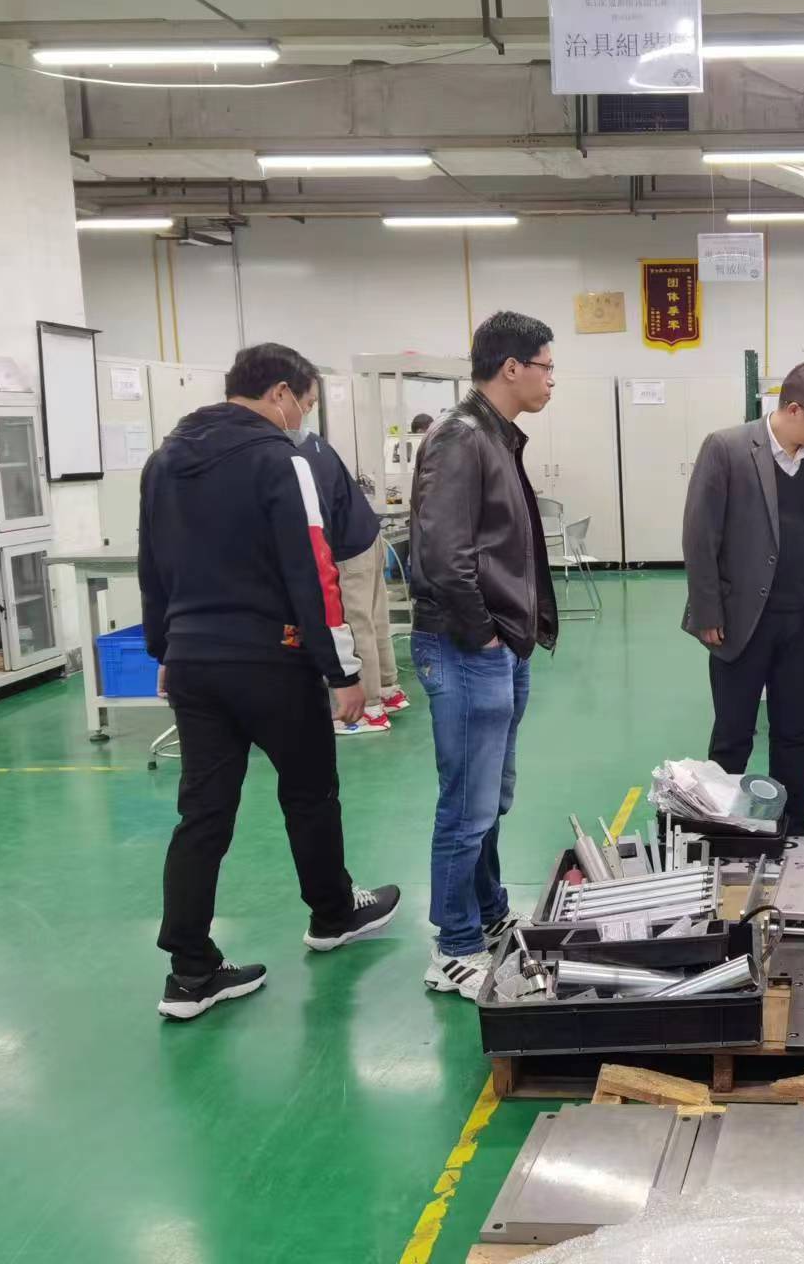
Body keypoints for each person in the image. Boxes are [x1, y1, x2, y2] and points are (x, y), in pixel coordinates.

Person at [139, 342, 401, 1021]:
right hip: (271, 660)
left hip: (194, 661)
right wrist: (343, 671)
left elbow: (153, 566)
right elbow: (314, 569)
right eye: (306, 404)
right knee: (310, 792)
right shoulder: (281, 461)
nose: (302, 419)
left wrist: (165, 647)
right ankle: (333, 913)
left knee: (202, 814)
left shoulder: (163, 461)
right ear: (281, 393)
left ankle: (190, 972)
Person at [411, 310, 559, 1001]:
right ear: (512, 368)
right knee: (466, 804)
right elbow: (444, 556)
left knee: (490, 797)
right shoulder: (461, 438)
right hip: (467, 645)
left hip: (498, 644)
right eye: (546, 367)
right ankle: (454, 945)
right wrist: (484, 634)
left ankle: (489, 911)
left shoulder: (494, 436)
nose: (551, 380)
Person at [682, 361, 804, 836]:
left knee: (795, 734)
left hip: (800, 621)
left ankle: (792, 830)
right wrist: (708, 610)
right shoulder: (726, 448)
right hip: (741, 621)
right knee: (733, 735)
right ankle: (720, 832)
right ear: (794, 410)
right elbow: (699, 535)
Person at [294, 427, 409, 733]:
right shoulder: (313, 442)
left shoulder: (297, 456)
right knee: (375, 621)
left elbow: (315, 518)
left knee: (357, 628)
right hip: (368, 538)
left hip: (347, 551)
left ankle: (368, 709)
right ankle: (387, 689)